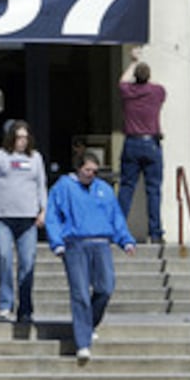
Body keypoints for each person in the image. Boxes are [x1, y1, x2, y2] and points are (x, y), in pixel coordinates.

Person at [45, 153, 136, 362]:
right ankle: (83, 343)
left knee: (105, 288)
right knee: (80, 294)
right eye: (87, 170)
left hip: (101, 243)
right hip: (75, 244)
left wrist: (126, 240)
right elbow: (52, 216)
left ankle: (88, 323)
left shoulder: (103, 189)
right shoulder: (63, 187)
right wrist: (57, 243)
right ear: (78, 169)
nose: (91, 175)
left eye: (95, 171)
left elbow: (116, 217)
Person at [0, 120, 47, 322]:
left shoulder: (35, 158)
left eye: (25, 137)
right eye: (19, 137)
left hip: (28, 218)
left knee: (27, 262)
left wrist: (43, 211)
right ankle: (5, 303)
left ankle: (25, 308)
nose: (22, 141)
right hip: (2, 217)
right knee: (4, 257)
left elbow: (41, 185)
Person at [117, 46, 167, 244]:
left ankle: (118, 229)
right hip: (151, 143)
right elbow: (156, 85)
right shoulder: (157, 92)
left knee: (127, 187)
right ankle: (155, 233)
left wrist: (133, 60)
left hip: (132, 142)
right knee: (153, 190)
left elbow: (122, 81)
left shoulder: (127, 92)